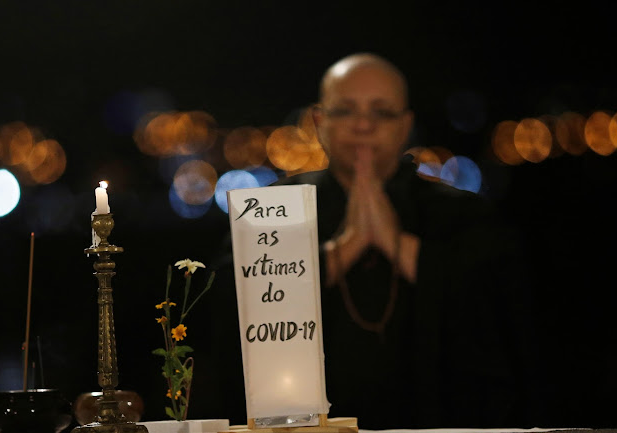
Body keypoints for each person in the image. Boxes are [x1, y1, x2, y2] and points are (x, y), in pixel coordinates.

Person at [208, 52, 539, 429]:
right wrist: (344, 248)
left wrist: (399, 244)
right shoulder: (270, 211)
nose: (363, 125)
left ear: (405, 125)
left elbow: (503, 319)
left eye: (381, 113)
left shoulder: (464, 214)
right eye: (345, 111)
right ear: (319, 122)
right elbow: (230, 316)